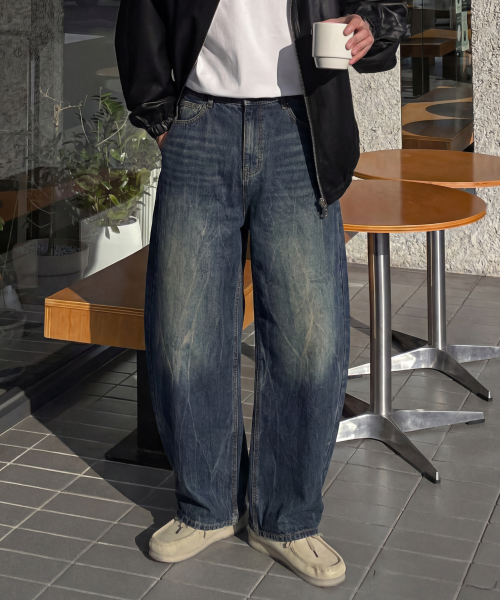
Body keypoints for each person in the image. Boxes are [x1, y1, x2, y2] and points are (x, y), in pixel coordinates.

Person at [116, 0, 406, 588]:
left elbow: (385, 11)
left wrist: (372, 28)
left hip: (302, 127)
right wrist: (159, 115)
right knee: (183, 334)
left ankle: (286, 519)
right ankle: (207, 506)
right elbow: (141, 11)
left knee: (309, 339)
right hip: (199, 124)